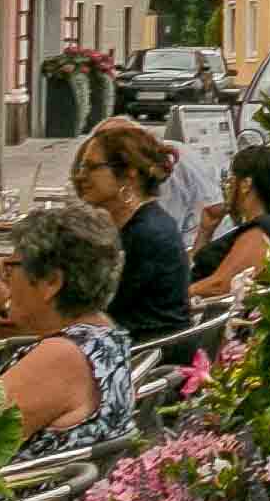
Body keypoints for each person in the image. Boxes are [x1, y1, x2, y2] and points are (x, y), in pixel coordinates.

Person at [0, 205, 137, 460]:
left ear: (51, 282)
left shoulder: (62, 357)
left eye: (11, 267)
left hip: (21, 497)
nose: (6, 279)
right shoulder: (103, 332)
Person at [71, 119, 194, 343]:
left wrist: (10, 302)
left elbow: (93, 309)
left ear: (129, 173)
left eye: (91, 167)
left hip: (143, 358)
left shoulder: (146, 235)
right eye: (81, 167)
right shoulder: (136, 223)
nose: (81, 176)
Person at [191, 144, 270, 300]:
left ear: (245, 185)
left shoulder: (262, 228)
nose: (227, 187)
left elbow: (222, 284)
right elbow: (199, 269)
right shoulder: (261, 225)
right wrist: (205, 231)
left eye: (231, 180)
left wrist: (172, 295)